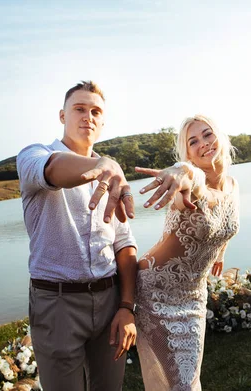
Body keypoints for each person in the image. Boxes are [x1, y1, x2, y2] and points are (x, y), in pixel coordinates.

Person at [17, 81, 163, 390]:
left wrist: (126, 307)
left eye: (96, 111)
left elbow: (124, 244)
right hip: (56, 304)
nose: (88, 117)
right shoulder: (34, 155)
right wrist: (101, 165)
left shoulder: (112, 174)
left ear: (103, 121)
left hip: (110, 301)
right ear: (62, 116)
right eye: (79, 109)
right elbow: (54, 170)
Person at [134, 114, 240, 390]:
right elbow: (189, 178)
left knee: (190, 379)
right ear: (188, 154)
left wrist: (220, 254)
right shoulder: (190, 186)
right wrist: (181, 172)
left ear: (220, 136)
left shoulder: (232, 186)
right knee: (182, 385)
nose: (203, 143)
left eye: (207, 134)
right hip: (155, 292)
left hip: (194, 295)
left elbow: (227, 224)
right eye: (193, 142)